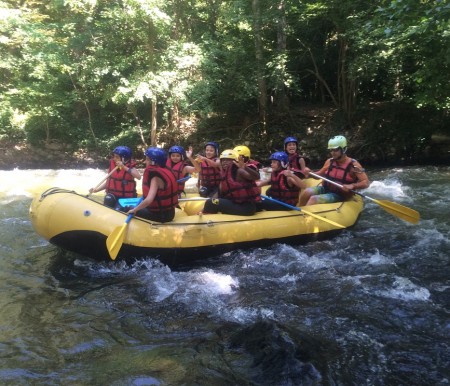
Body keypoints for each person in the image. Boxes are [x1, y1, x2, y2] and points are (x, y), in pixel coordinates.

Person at [299, 135, 370, 206]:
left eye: (335, 150)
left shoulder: (354, 165)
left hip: (341, 194)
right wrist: (310, 173)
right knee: (307, 192)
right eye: (331, 150)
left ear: (344, 149)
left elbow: (366, 183)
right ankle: (298, 211)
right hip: (326, 188)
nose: (332, 152)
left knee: (314, 199)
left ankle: (305, 216)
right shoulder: (329, 161)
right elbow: (319, 175)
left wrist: (352, 185)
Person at [201, 149, 261, 216]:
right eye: (223, 160)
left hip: (245, 207)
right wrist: (204, 208)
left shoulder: (239, 171)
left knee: (211, 202)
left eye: (228, 160)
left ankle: (205, 221)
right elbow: (218, 193)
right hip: (234, 203)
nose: (224, 162)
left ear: (235, 161)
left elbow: (256, 177)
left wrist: (245, 167)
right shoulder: (224, 175)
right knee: (211, 201)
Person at [127, 147, 178, 223]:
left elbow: (148, 200)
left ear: (154, 162)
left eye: (147, 159)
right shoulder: (166, 170)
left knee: (129, 208)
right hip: (170, 212)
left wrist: (135, 210)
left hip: (161, 216)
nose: (145, 162)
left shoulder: (155, 178)